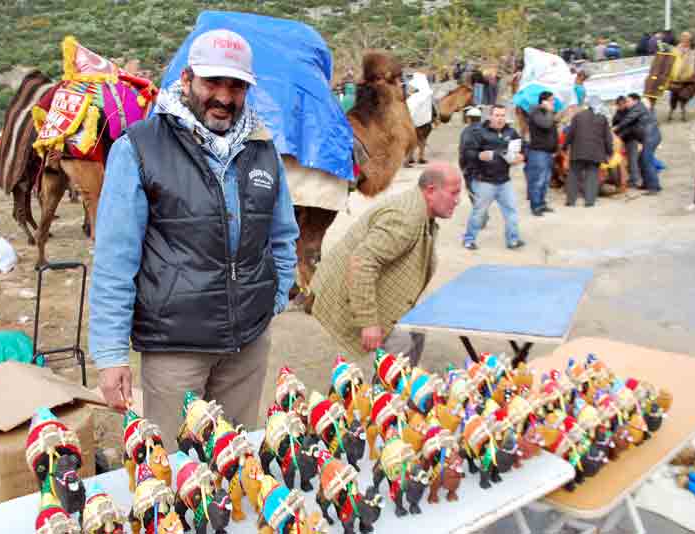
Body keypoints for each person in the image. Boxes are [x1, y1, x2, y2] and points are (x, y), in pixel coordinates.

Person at [89, 29, 300, 438]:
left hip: (248, 345)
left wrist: (272, 298)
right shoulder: (139, 148)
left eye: (236, 85)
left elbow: (283, 235)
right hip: (175, 346)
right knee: (177, 470)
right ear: (187, 79)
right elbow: (116, 259)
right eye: (212, 83)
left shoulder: (262, 147)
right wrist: (111, 353)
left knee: (238, 460)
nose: (224, 96)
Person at [310, 162, 462, 365]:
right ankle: (387, 395)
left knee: (415, 333)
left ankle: (395, 392)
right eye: (453, 193)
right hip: (346, 291)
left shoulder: (420, 210)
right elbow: (362, 262)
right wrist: (369, 321)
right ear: (431, 191)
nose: (458, 200)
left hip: (372, 291)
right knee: (400, 349)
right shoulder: (406, 218)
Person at [463, 105, 526, 250]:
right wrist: (479, 155)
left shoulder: (511, 132)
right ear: (490, 117)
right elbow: (467, 153)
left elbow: (522, 148)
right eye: (497, 115)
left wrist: (521, 156)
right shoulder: (479, 132)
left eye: (502, 115)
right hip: (485, 181)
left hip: (504, 181)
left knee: (511, 211)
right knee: (479, 213)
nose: (500, 118)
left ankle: (513, 240)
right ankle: (469, 239)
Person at [563, 96, 614, 207]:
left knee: (574, 175)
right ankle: (589, 201)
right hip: (595, 152)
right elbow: (607, 138)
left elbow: (570, 133)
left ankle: (570, 201)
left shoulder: (578, 116)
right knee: (592, 176)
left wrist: (564, 146)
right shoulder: (602, 118)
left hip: (578, 151)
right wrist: (610, 152)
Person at [614, 93, 662, 194]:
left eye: (628, 101)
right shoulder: (633, 110)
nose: (626, 103)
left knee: (646, 160)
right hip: (647, 138)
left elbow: (627, 120)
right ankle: (647, 184)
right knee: (641, 160)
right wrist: (617, 135)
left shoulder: (638, 108)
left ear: (635, 101)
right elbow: (629, 129)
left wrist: (615, 128)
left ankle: (654, 188)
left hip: (651, 137)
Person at [526, 91, 558, 216]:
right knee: (538, 180)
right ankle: (535, 206)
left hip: (548, 152)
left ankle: (542, 203)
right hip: (538, 152)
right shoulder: (536, 112)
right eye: (551, 100)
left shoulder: (546, 113)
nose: (553, 102)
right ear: (543, 101)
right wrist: (550, 112)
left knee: (545, 180)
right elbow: (546, 125)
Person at [612, 96, 642, 187]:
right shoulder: (618, 113)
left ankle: (635, 180)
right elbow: (615, 125)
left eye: (622, 104)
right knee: (625, 159)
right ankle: (629, 178)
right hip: (622, 139)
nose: (620, 106)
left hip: (631, 138)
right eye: (618, 105)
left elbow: (630, 128)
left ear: (625, 103)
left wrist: (619, 135)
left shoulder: (630, 113)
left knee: (632, 159)